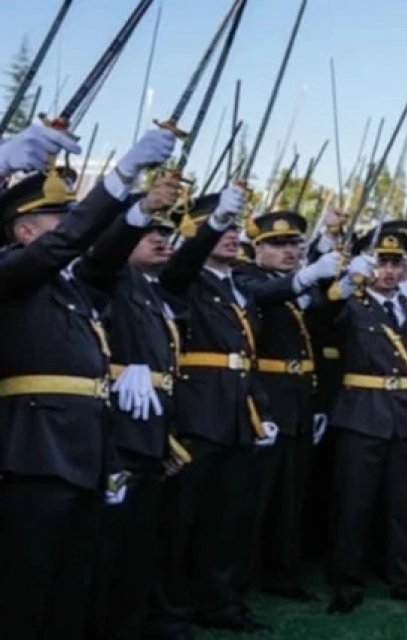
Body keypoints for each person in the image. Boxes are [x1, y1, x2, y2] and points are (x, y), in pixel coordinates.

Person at [0, 127, 177, 639]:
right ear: (25, 231)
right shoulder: (13, 272)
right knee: (27, 585)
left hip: (84, 449)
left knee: (72, 583)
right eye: (61, 218)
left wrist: (138, 210)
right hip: (34, 450)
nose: (75, 226)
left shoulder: (73, 288)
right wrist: (121, 174)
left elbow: (102, 255)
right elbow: (70, 241)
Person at [153, 184, 280, 634]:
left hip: (236, 414)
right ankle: (169, 610)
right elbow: (183, 263)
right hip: (198, 412)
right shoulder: (183, 276)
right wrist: (213, 224)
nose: (231, 235)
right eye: (219, 227)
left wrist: (260, 409)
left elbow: (247, 356)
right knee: (180, 521)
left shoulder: (238, 286)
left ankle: (219, 602)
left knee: (225, 519)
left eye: (233, 228)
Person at [322, 228, 407, 613]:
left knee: (404, 505)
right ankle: (346, 582)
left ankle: (405, 579)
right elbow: (323, 317)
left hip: (405, 416)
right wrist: (345, 282)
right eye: (381, 263)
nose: (389, 271)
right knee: (354, 504)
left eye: (396, 264)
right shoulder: (351, 305)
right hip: (362, 414)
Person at [89, 174, 189, 639]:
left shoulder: (150, 288)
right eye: (150, 230)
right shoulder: (111, 277)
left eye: (166, 231)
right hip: (117, 428)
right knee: (111, 540)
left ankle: (135, 621)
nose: (160, 238)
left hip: (150, 426)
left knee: (140, 539)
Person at [234, 211, 342, 602]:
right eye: (277, 244)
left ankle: (282, 573)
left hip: (299, 399)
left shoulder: (300, 285)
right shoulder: (245, 276)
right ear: (257, 248)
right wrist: (307, 276)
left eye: (294, 244)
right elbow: (264, 296)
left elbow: (320, 338)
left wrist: (319, 402)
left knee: (290, 497)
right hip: (266, 398)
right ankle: (240, 577)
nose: (289, 251)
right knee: (255, 497)